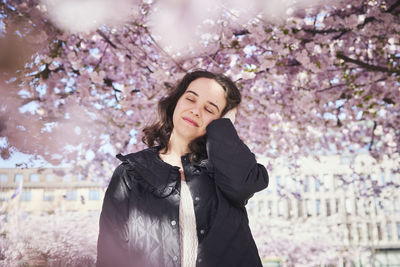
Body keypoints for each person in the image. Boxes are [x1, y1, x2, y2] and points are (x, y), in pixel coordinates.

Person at [96, 70, 269, 267]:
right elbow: (110, 255)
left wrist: (224, 128)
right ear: (176, 102)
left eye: (210, 109)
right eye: (190, 99)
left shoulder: (225, 170)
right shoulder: (131, 172)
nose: (196, 111)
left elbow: (243, 186)